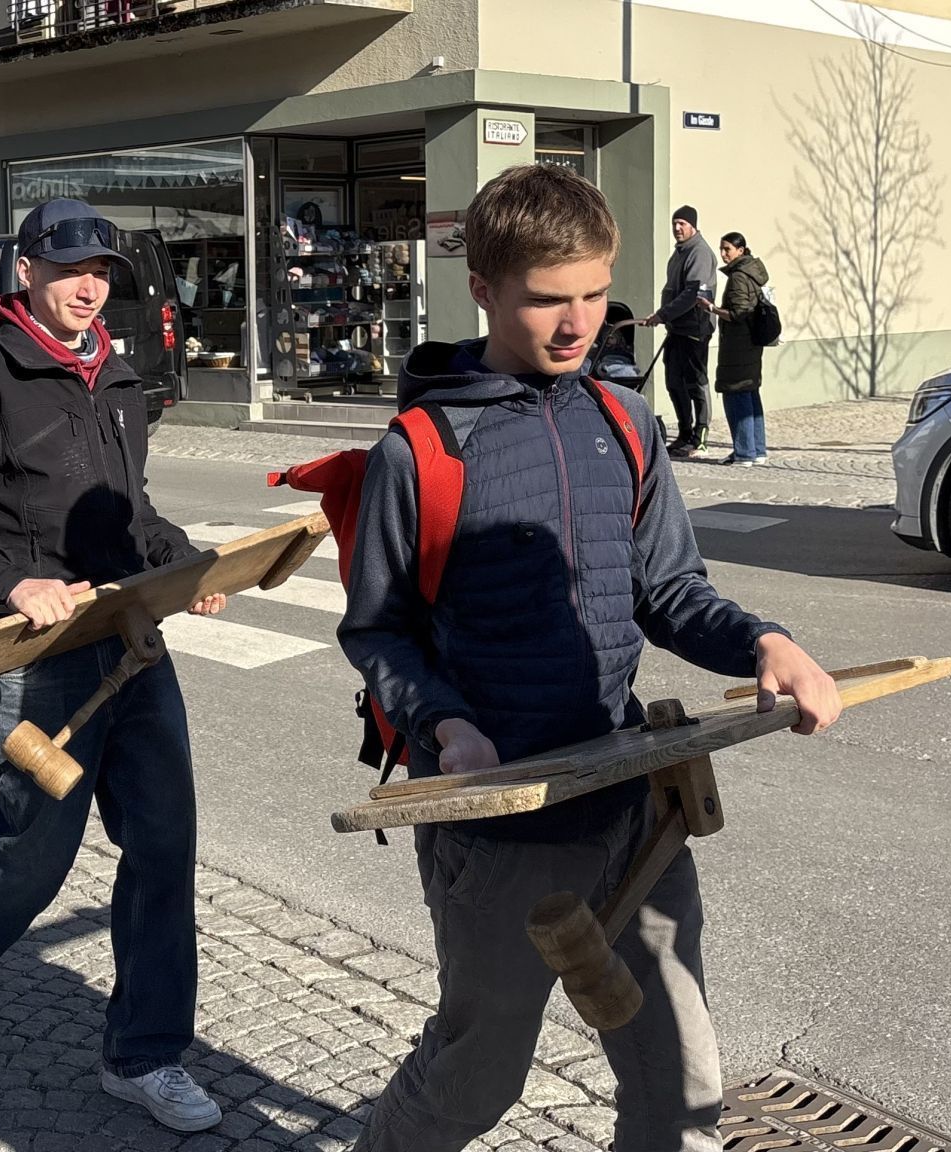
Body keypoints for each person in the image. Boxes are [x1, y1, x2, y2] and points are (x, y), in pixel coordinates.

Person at [337, 165, 841, 1152]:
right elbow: (376, 630)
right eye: (544, 300)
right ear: (480, 287)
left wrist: (763, 640)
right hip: (498, 828)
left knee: (681, 1089)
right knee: (471, 1083)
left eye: (592, 295)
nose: (576, 326)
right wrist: (446, 726)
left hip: (630, 801)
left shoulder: (622, 419)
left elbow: (667, 593)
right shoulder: (422, 449)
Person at [0, 199, 226, 1133]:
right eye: (72, 270)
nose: (90, 289)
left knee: (164, 850)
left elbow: (134, 511)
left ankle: (145, 1054)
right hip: (43, 656)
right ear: (29, 273)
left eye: (103, 275)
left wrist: (183, 565)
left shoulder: (119, 380)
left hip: (132, 640)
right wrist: (14, 584)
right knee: (32, 849)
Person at [641, 205, 718, 458]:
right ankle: (684, 434)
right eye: (675, 223)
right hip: (676, 329)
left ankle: (700, 437)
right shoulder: (679, 254)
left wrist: (662, 315)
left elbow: (692, 294)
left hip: (695, 328)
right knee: (674, 382)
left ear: (692, 226)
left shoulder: (700, 253)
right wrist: (666, 318)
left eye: (682, 224)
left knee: (695, 382)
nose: (677, 228)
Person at [702, 232, 771, 466]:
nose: (723, 254)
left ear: (741, 251)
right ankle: (757, 449)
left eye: (727, 249)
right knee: (750, 392)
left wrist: (711, 308)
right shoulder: (751, 273)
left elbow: (738, 312)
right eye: (722, 249)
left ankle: (744, 452)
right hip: (750, 344)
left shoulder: (739, 276)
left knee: (736, 393)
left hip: (738, 345)